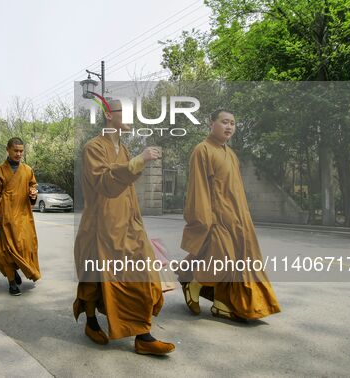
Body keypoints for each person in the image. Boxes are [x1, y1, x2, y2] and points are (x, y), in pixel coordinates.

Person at [73, 99, 175, 355]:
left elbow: (127, 192)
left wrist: (137, 223)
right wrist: (138, 161)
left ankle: (143, 335)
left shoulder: (125, 149)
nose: (132, 117)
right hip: (102, 228)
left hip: (129, 226)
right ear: (109, 115)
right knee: (96, 280)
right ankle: (92, 322)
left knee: (143, 277)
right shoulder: (93, 148)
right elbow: (106, 183)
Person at [178, 109, 281, 321]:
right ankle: (193, 284)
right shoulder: (202, 150)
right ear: (211, 123)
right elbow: (199, 188)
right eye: (224, 122)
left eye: (233, 124)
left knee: (241, 263)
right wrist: (204, 219)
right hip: (216, 217)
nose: (229, 127)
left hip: (238, 218)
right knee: (223, 259)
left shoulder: (231, 154)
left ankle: (221, 304)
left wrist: (244, 217)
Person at [0, 137, 40, 296]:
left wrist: (33, 194)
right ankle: (11, 282)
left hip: (23, 217)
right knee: (6, 251)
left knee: (27, 246)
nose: (18, 154)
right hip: (5, 217)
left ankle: (16, 270)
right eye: (15, 150)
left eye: (21, 151)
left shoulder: (28, 170)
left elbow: (33, 190)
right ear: (8, 150)